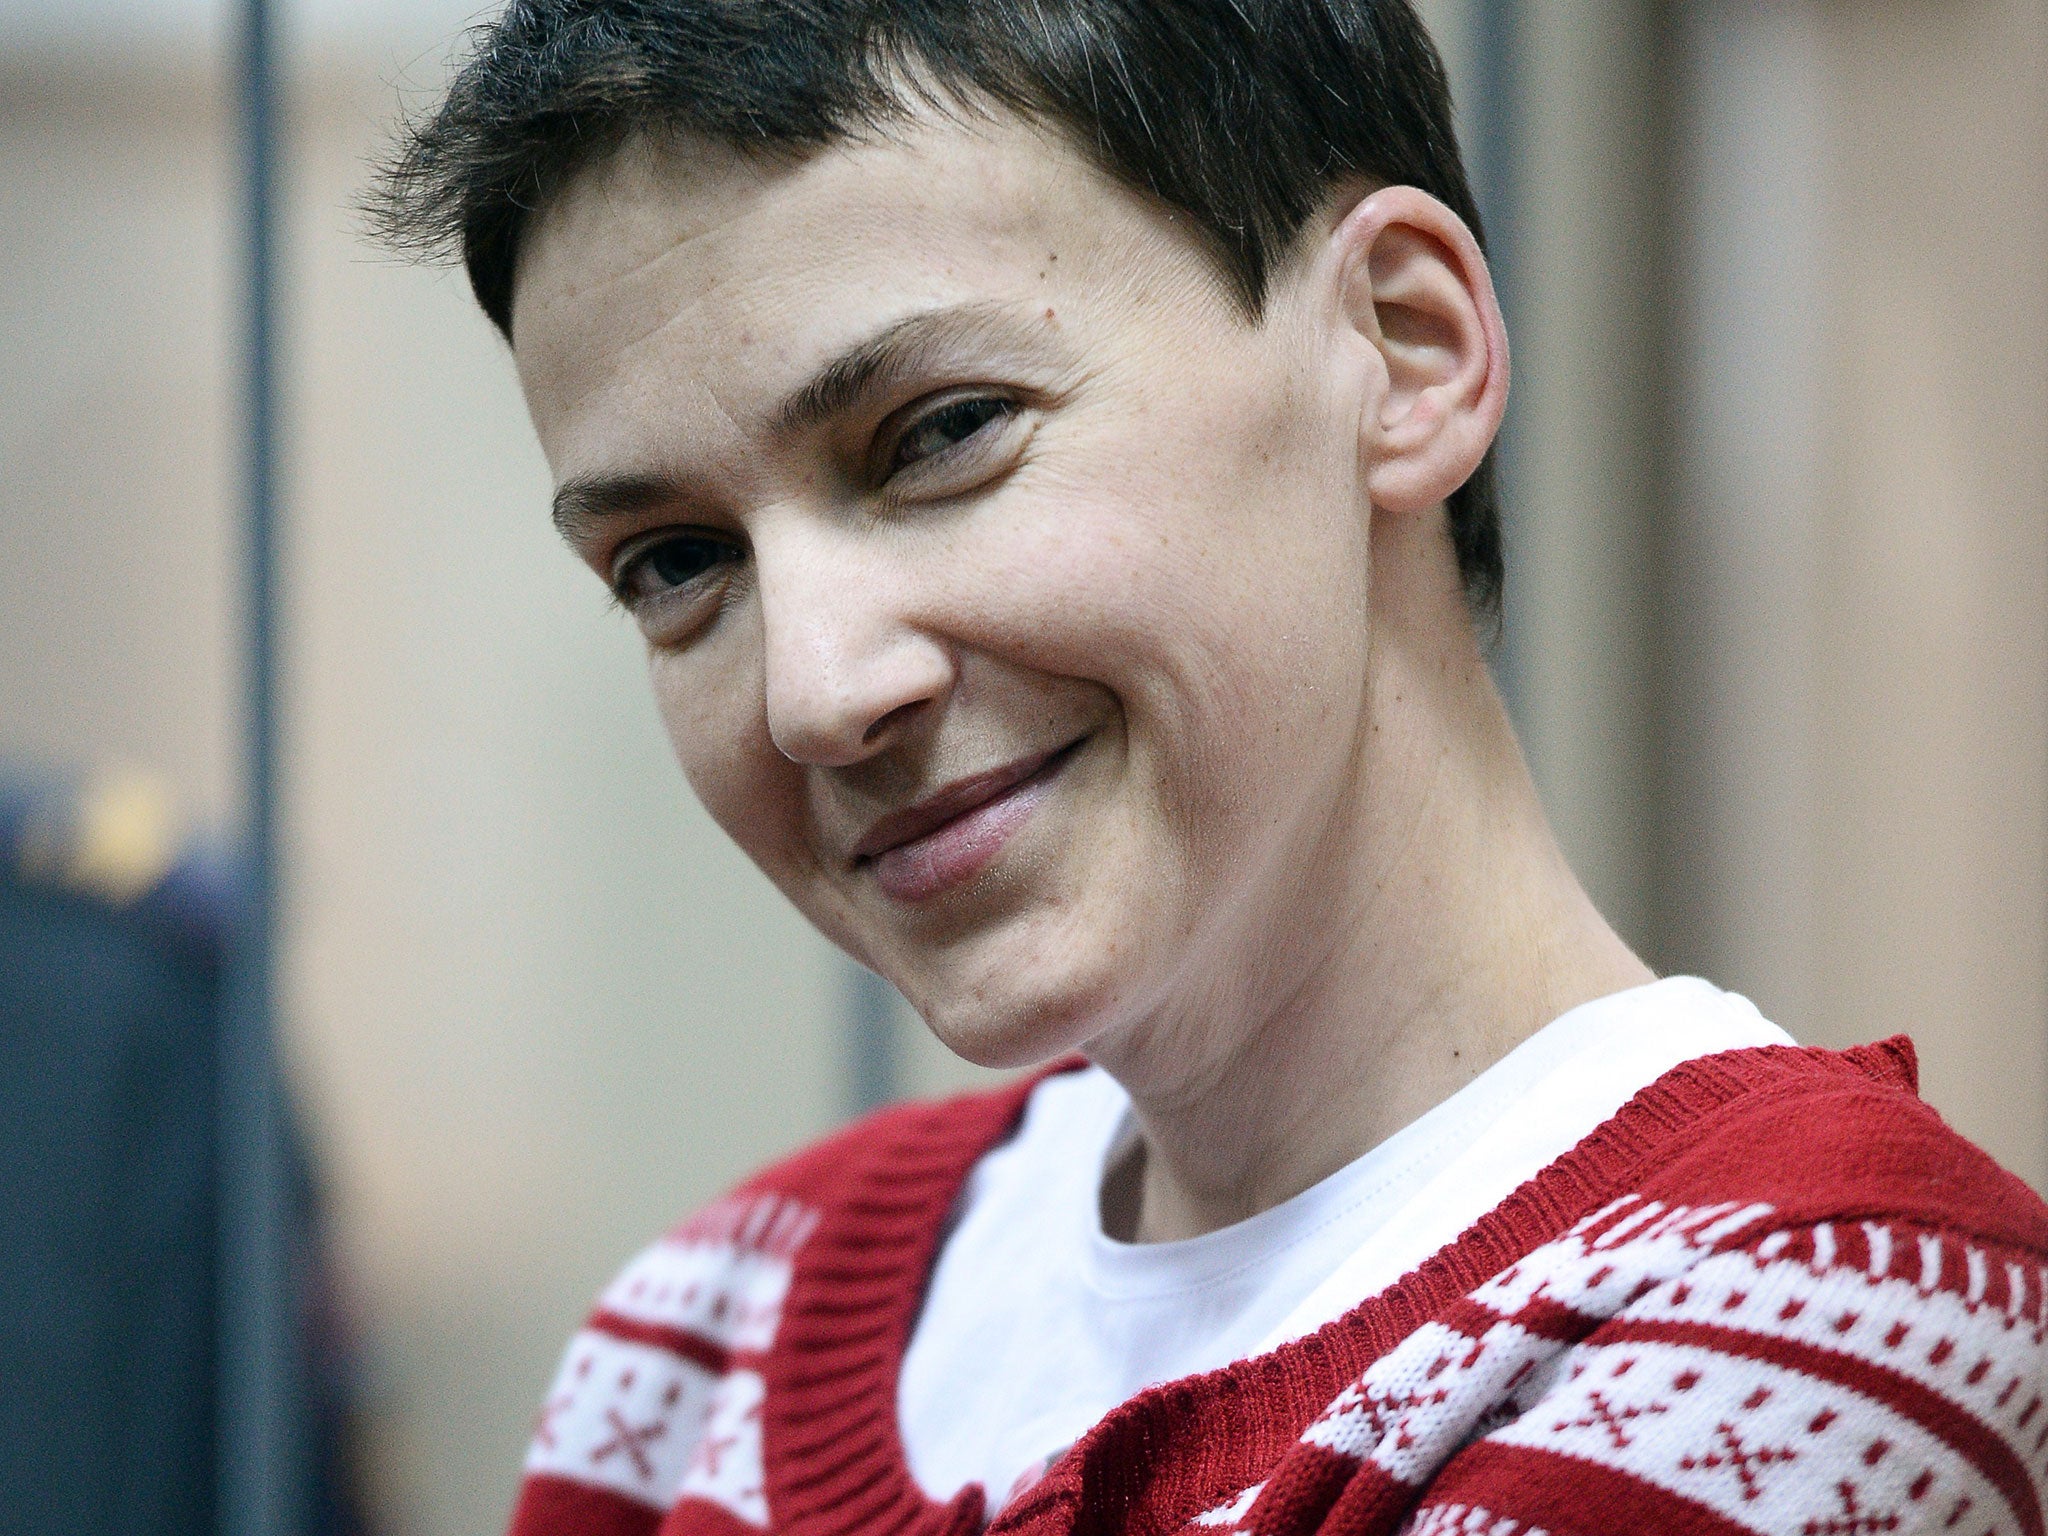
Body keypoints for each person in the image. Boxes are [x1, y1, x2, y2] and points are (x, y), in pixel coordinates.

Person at [372, 3, 2048, 1532]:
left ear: (1400, 349)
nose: (817, 691)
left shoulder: (1828, 1319)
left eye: (942, 434)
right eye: (674, 563)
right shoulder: (704, 1346)